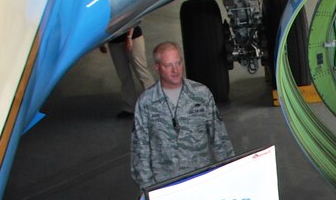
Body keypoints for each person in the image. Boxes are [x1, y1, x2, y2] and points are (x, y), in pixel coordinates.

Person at [130, 41, 235, 189]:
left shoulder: (201, 94)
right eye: (168, 65)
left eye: (178, 63)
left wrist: (229, 173)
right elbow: (140, 148)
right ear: (157, 67)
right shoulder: (146, 102)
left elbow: (219, 137)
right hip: (165, 186)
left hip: (200, 181)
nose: (176, 70)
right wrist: (148, 189)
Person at [100, 24, 154, 117]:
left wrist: (129, 37)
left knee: (141, 72)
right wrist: (101, 42)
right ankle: (129, 107)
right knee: (123, 75)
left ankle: (155, 103)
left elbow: (132, 18)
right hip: (114, 41)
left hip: (133, 38)